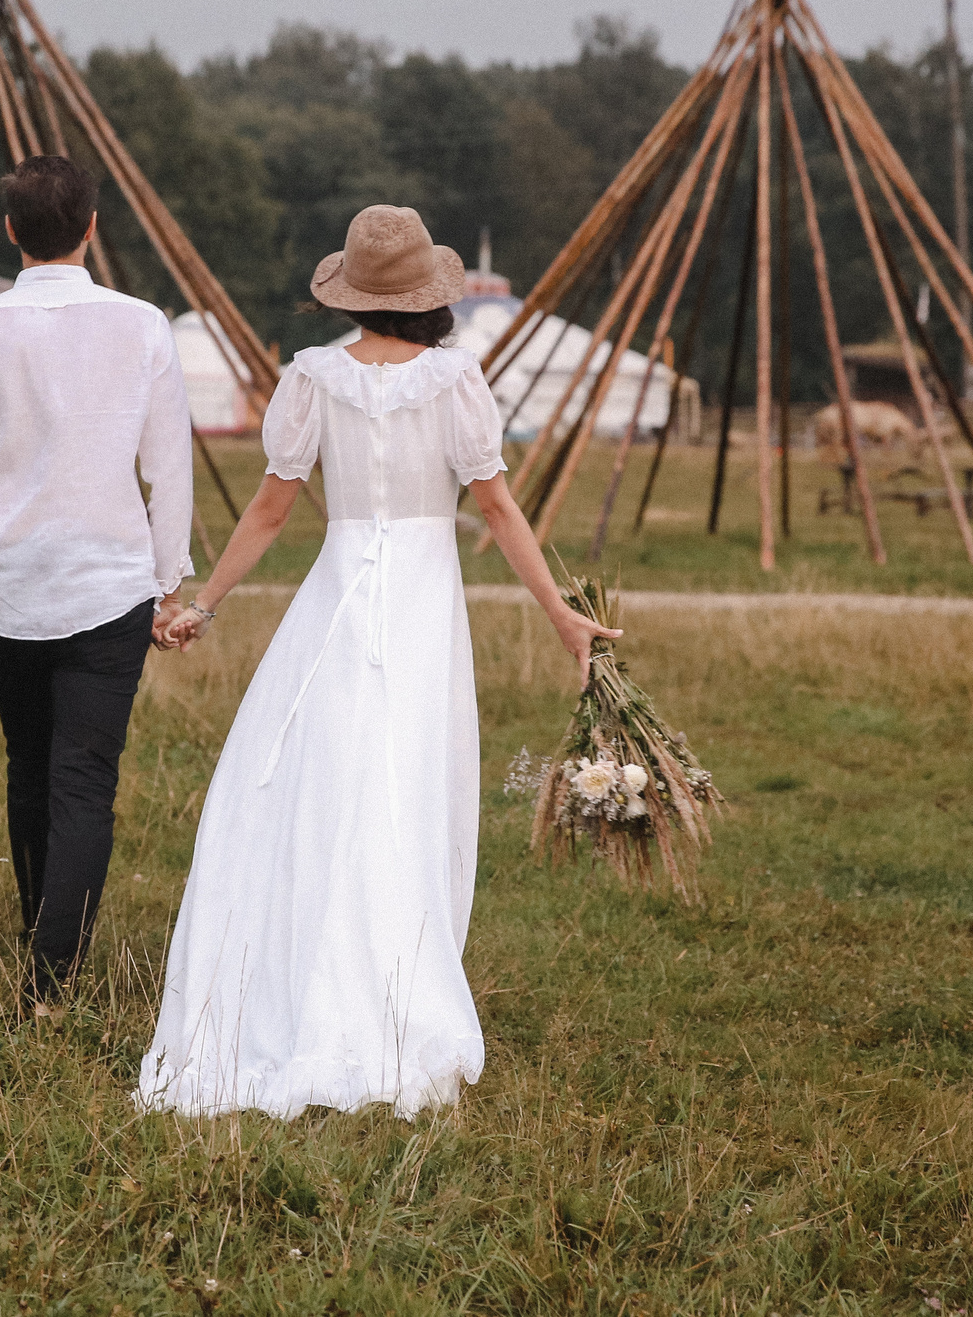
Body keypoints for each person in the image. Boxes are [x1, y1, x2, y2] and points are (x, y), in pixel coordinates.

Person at [136, 204, 615, 1118]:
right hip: (420, 604)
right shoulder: (455, 380)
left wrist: (204, 603)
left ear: (351, 294)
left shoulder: (312, 377)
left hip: (340, 597)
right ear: (431, 296)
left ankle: (310, 972)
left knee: (322, 781)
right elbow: (499, 511)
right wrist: (560, 614)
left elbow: (273, 511)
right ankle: (389, 983)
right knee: (403, 784)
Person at [0, 153, 195, 1022]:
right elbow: (167, 467)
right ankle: (52, 978)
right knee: (83, 778)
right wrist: (169, 579)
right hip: (111, 583)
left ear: (10, 232)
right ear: (94, 226)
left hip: (4, 586)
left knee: (28, 763)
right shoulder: (144, 327)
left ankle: (45, 936)